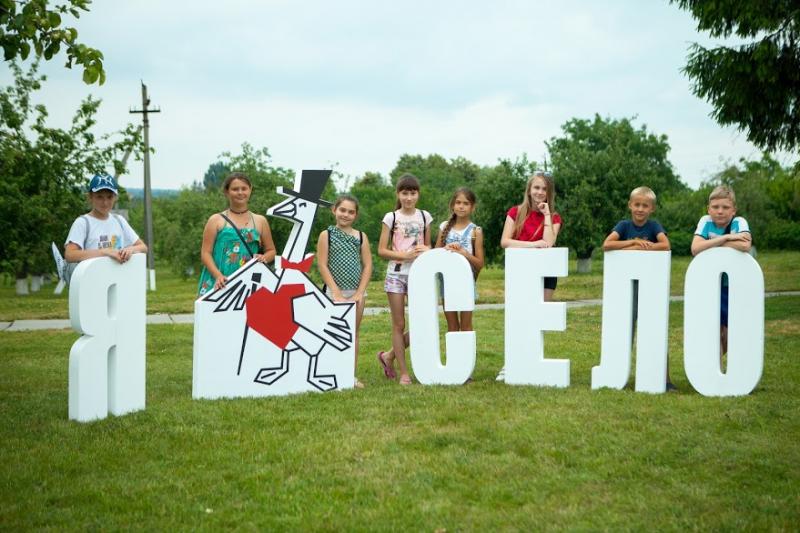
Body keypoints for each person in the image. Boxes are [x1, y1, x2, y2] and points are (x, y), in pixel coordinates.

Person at [603, 186, 675, 391]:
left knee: (655, 331)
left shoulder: (654, 227)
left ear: (652, 208)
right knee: (626, 330)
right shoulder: (624, 226)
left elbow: (665, 245)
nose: (640, 209)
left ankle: (665, 379)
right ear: (630, 205)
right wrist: (634, 242)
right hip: (627, 290)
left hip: (650, 290)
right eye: (637, 204)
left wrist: (643, 247)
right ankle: (619, 374)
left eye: (645, 205)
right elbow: (607, 244)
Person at [496, 170, 562, 381]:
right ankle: (510, 363)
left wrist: (546, 215)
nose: (540, 192)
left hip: (545, 273)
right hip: (520, 271)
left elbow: (549, 243)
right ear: (529, 189)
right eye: (536, 187)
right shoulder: (515, 212)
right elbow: (505, 241)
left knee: (537, 320)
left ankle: (534, 362)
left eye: (544, 189)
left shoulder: (554, 217)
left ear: (549, 193)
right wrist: (532, 245)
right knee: (518, 318)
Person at [376, 173, 432, 385]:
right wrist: (403, 256)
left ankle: (388, 356)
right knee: (399, 324)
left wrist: (427, 248)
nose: (408, 198)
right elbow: (381, 250)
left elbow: (429, 248)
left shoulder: (425, 217)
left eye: (413, 193)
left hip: (419, 274)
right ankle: (404, 373)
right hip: (396, 275)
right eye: (404, 193)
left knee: (422, 322)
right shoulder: (391, 217)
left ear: (418, 194)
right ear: (398, 194)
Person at [316, 194, 373, 389]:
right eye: (342, 210)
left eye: (350, 212)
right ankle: (330, 373)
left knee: (352, 334)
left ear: (355, 215)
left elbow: (367, 265)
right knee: (333, 333)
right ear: (334, 210)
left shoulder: (361, 237)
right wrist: (335, 291)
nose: (346, 215)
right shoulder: (327, 235)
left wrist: (359, 292)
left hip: (356, 292)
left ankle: (350, 375)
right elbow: (322, 265)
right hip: (333, 293)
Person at [690, 185, 752, 357]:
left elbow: (745, 245)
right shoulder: (706, 221)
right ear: (708, 209)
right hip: (710, 285)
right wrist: (726, 237)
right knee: (714, 330)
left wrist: (712, 243)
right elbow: (695, 248)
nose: (720, 211)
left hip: (733, 286)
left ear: (733, 210)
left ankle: (730, 370)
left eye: (725, 207)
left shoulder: (739, 222)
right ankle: (714, 370)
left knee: (731, 332)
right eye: (715, 207)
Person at [197, 172, 276, 296]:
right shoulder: (216, 220)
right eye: (235, 189)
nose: (240, 192)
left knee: (248, 315)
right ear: (226, 192)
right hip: (219, 282)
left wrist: (263, 258)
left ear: (250, 190)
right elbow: (205, 253)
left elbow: (271, 251)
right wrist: (218, 276)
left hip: (248, 283)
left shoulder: (260, 221)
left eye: (244, 188)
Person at [64, 173, 148, 265]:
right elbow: (70, 255)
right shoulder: (83, 223)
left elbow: (143, 247)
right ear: (90, 197)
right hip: (92, 278)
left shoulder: (119, 220)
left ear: (115, 197)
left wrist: (130, 249)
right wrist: (104, 252)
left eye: (109, 197)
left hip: (117, 277)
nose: (105, 202)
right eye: (99, 197)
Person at [434, 187, 484, 332]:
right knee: (452, 326)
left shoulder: (476, 231)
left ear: (472, 207)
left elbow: (480, 264)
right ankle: (454, 355)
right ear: (452, 205)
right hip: (446, 282)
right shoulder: (444, 227)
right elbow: (435, 254)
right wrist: (446, 249)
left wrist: (463, 253)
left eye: (466, 203)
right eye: (458, 202)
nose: (461, 206)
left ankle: (468, 355)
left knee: (466, 326)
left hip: (466, 281)